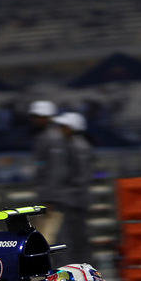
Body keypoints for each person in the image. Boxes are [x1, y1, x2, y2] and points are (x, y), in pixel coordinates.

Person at [52, 111, 94, 265]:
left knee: (73, 241)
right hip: (73, 200)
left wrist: (65, 192)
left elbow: (82, 177)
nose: (60, 129)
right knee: (73, 240)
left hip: (74, 202)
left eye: (63, 126)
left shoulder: (79, 146)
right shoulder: (72, 145)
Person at [28, 100, 67, 244]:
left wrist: (50, 200)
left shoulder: (53, 137)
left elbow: (55, 169)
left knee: (47, 239)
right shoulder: (42, 136)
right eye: (35, 116)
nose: (36, 119)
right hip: (45, 196)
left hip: (51, 200)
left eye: (40, 116)